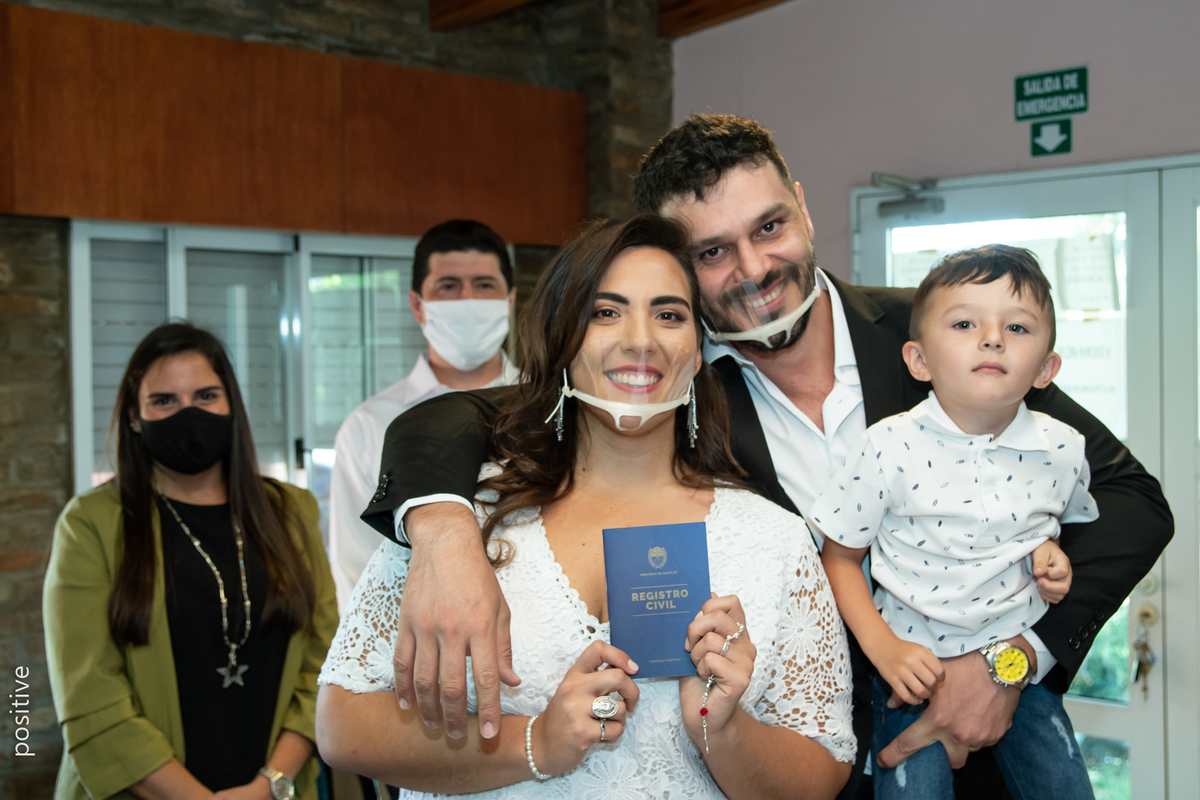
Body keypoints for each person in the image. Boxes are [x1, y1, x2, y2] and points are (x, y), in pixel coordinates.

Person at [358, 115, 1173, 799]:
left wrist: (1010, 663)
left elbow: (1132, 501)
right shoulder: (673, 391)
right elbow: (449, 417)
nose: (754, 269)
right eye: (712, 252)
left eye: (769, 227)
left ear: (804, 209)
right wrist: (441, 531)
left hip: (977, 757)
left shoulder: (939, 335)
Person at [316, 216, 856, 798]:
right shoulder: (458, 522)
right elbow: (344, 728)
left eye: (669, 315)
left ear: (699, 351)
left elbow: (823, 773)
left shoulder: (774, 540)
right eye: (606, 312)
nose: (640, 340)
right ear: (563, 338)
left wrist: (724, 729)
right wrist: (535, 743)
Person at [813, 246, 1095, 799]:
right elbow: (839, 557)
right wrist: (883, 649)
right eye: (965, 324)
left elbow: (1063, 524)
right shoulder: (886, 446)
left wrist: (1050, 553)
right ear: (918, 361)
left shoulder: (1064, 447)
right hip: (910, 670)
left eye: (1017, 327)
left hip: (1019, 673)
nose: (992, 338)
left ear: (1046, 369)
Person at [44, 323, 338, 800]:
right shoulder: (90, 525)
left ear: (230, 405)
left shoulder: (291, 511)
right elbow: (90, 695)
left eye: (205, 396)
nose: (188, 413)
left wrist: (270, 785)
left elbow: (325, 663)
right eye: (164, 400)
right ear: (134, 417)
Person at [328, 219, 518, 610]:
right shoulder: (369, 426)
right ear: (417, 305)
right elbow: (355, 569)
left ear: (510, 301)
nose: (467, 301)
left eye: (484, 285)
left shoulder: (551, 407)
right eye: (448, 286)